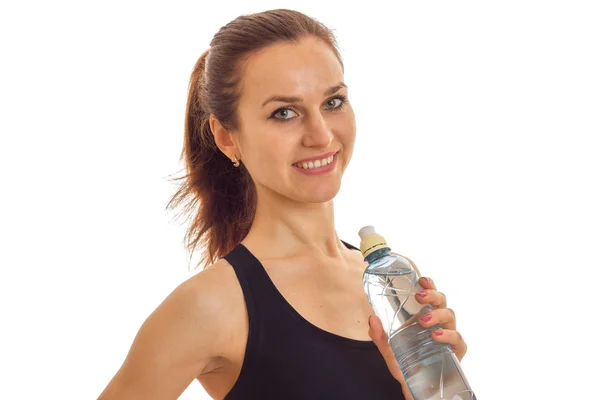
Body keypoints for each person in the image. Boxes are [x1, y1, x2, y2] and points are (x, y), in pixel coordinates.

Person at [98, 9, 468, 400]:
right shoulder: (210, 306)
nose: (321, 135)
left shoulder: (393, 281)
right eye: (284, 113)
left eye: (333, 102)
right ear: (227, 138)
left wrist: (431, 390)